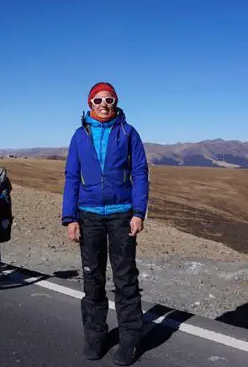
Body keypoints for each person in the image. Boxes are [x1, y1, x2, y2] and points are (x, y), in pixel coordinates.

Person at [62, 82, 150, 366]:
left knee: (125, 279)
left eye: (108, 99)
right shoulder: (79, 136)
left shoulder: (128, 132)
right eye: (98, 100)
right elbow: (72, 177)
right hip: (88, 215)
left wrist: (139, 212)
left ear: (115, 103)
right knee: (93, 279)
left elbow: (139, 171)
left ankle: (129, 340)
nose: (103, 104)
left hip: (122, 213)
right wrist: (70, 217)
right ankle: (95, 336)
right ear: (89, 103)